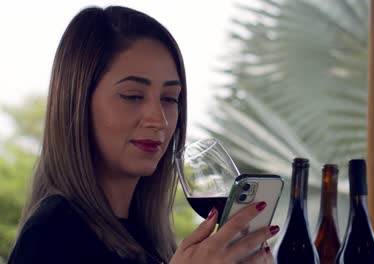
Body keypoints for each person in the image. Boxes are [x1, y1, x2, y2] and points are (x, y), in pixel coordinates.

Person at [7, 5, 279, 264]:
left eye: (170, 98)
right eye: (133, 96)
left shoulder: (149, 243)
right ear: (76, 104)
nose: (159, 119)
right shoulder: (50, 236)